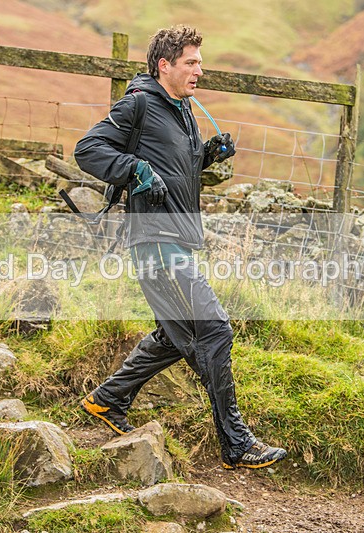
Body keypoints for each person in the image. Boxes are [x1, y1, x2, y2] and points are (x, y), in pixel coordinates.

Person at [73, 25, 286, 470]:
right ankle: (237, 442)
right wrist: (132, 169)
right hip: (155, 240)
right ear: (163, 65)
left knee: (175, 337)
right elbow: (88, 149)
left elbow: (174, 165)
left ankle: (107, 400)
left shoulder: (183, 108)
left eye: (200, 62)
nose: (199, 71)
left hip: (177, 239)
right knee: (216, 329)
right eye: (191, 62)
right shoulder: (139, 103)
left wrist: (208, 153)